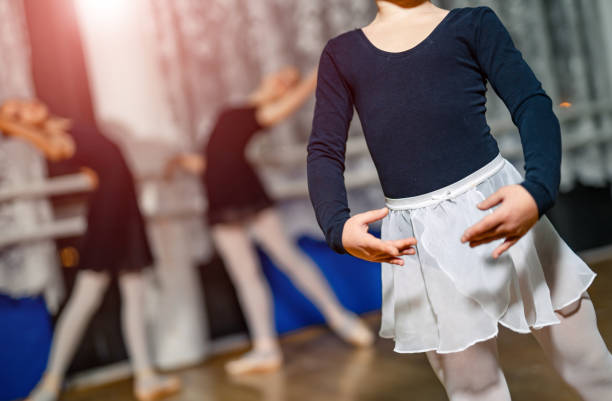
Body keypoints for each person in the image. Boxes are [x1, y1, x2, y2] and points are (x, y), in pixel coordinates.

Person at [307, 1, 612, 400]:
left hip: (501, 204)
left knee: (586, 359)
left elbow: (531, 103)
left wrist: (536, 191)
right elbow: (324, 151)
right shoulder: (342, 54)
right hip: (420, 240)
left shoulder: (472, 24)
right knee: (473, 386)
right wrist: (337, 225)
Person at [170, 66, 374, 376]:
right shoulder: (236, 109)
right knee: (245, 275)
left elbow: (285, 109)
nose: (281, 82)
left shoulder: (261, 114)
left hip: (246, 194)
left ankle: (340, 318)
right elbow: (213, 161)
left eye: (287, 85)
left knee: (288, 258)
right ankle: (265, 348)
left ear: (285, 93)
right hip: (220, 202)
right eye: (281, 76)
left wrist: (314, 77)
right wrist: (184, 163)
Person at [4, 100, 182, 401]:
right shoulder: (53, 139)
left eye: (21, 104)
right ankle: (49, 384)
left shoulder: (70, 125)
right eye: (17, 114)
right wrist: (10, 125)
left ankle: (146, 376)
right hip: (109, 215)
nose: (26, 109)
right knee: (86, 297)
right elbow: (55, 150)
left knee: (134, 295)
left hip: (127, 214)